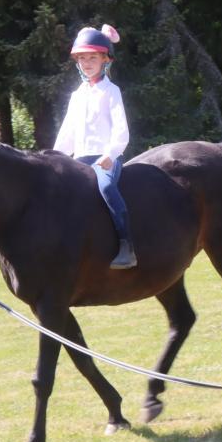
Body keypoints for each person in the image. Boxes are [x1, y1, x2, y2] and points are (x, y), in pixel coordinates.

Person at [54, 23, 137, 269]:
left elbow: (121, 131)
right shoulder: (77, 95)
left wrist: (110, 154)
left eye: (92, 58)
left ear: (105, 60)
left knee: (107, 186)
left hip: (105, 158)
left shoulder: (111, 91)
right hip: (80, 159)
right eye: (82, 58)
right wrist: (53, 158)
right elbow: (67, 133)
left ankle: (126, 245)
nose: (87, 63)